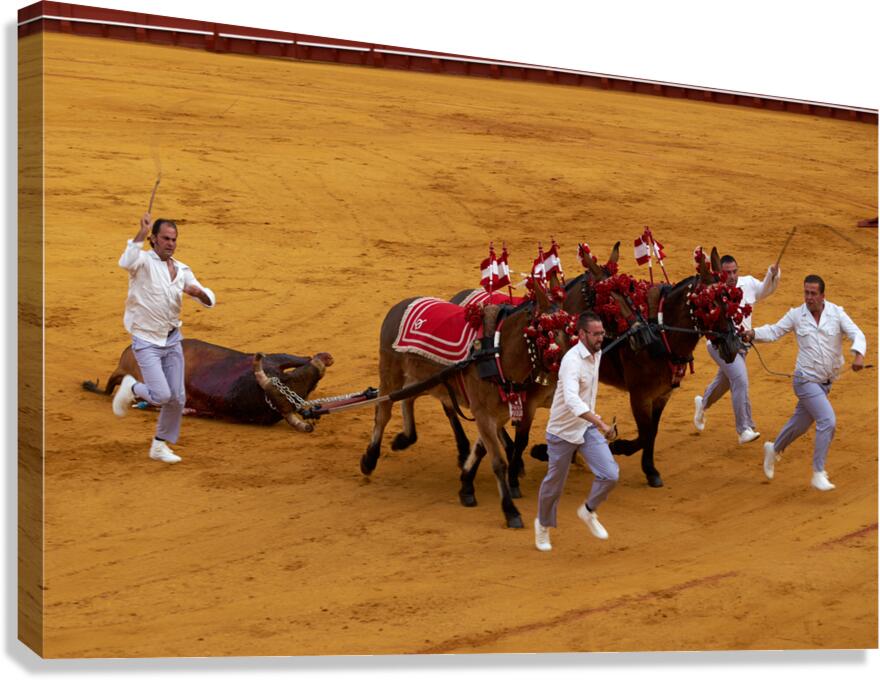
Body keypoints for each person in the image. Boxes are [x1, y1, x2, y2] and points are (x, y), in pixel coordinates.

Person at [742, 275, 865, 490]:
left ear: (822, 295)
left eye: (813, 293)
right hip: (804, 380)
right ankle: (818, 472)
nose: (809, 297)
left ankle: (774, 448)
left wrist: (859, 355)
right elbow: (774, 331)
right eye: (806, 293)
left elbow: (857, 333)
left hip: (825, 383)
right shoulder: (797, 315)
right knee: (827, 420)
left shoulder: (836, 313)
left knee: (801, 423)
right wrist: (753, 333)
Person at [111, 212, 216, 463]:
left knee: (178, 398)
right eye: (166, 238)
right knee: (161, 395)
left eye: (174, 239)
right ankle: (131, 387)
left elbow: (209, 300)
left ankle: (159, 445)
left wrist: (198, 293)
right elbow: (126, 261)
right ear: (154, 239)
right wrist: (141, 231)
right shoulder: (142, 262)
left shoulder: (182, 269)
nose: (170, 243)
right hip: (146, 340)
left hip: (172, 339)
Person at [534, 311, 618, 552]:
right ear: (582, 334)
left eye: (602, 333)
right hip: (562, 432)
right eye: (596, 334)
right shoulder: (571, 362)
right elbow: (571, 400)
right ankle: (542, 524)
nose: (601, 337)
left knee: (610, 475)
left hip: (585, 427)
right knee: (554, 485)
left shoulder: (597, 353)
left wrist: (594, 422)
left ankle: (589, 511)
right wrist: (601, 424)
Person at [694, 255, 779, 444]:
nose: (732, 276)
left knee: (725, 382)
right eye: (727, 273)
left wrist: (772, 274)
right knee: (740, 379)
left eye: (734, 271)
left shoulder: (748, 283)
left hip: (742, 347)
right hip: (719, 345)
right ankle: (744, 428)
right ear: (720, 273)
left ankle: (703, 403)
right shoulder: (713, 292)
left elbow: (765, 290)